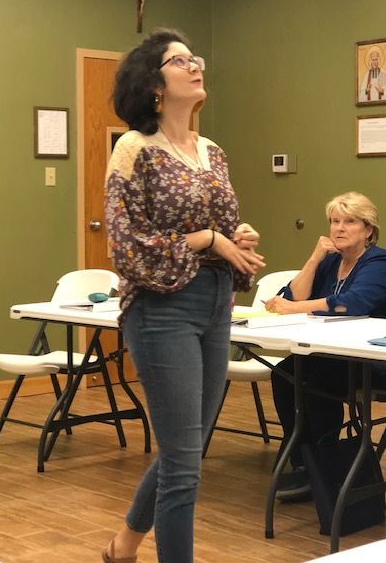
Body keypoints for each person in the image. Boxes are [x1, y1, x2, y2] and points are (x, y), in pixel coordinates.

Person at [103, 28, 265, 563]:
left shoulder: (212, 151)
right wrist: (208, 239)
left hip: (216, 302)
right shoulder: (134, 149)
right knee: (184, 462)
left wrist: (237, 238)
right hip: (162, 309)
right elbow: (126, 244)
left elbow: (217, 226)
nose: (195, 65)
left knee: (187, 449)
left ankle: (124, 544)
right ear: (154, 83)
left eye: (195, 58)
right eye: (179, 61)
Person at [265, 191, 386, 501]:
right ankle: (304, 460)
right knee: (285, 374)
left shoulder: (379, 261)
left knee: (318, 384)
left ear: (368, 230)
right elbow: (293, 296)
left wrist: (293, 308)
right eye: (334, 221)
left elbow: (351, 303)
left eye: (350, 222)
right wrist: (314, 259)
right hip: (333, 351)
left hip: (374, 357)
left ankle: (325, 463)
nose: (339, 228)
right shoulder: (331, 261)